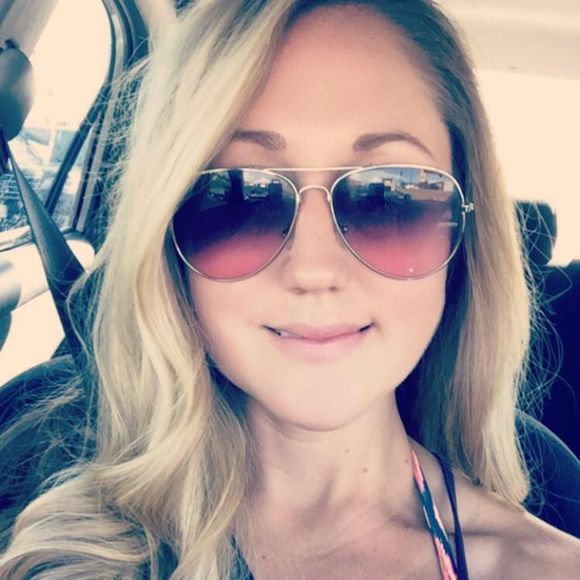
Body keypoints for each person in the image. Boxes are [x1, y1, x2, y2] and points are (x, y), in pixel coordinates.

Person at [0, 0, 579, 578]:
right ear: (166, 240)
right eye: (237, 198)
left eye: (389, 196)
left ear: (464, 234)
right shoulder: (39, 489)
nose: (313, 269)